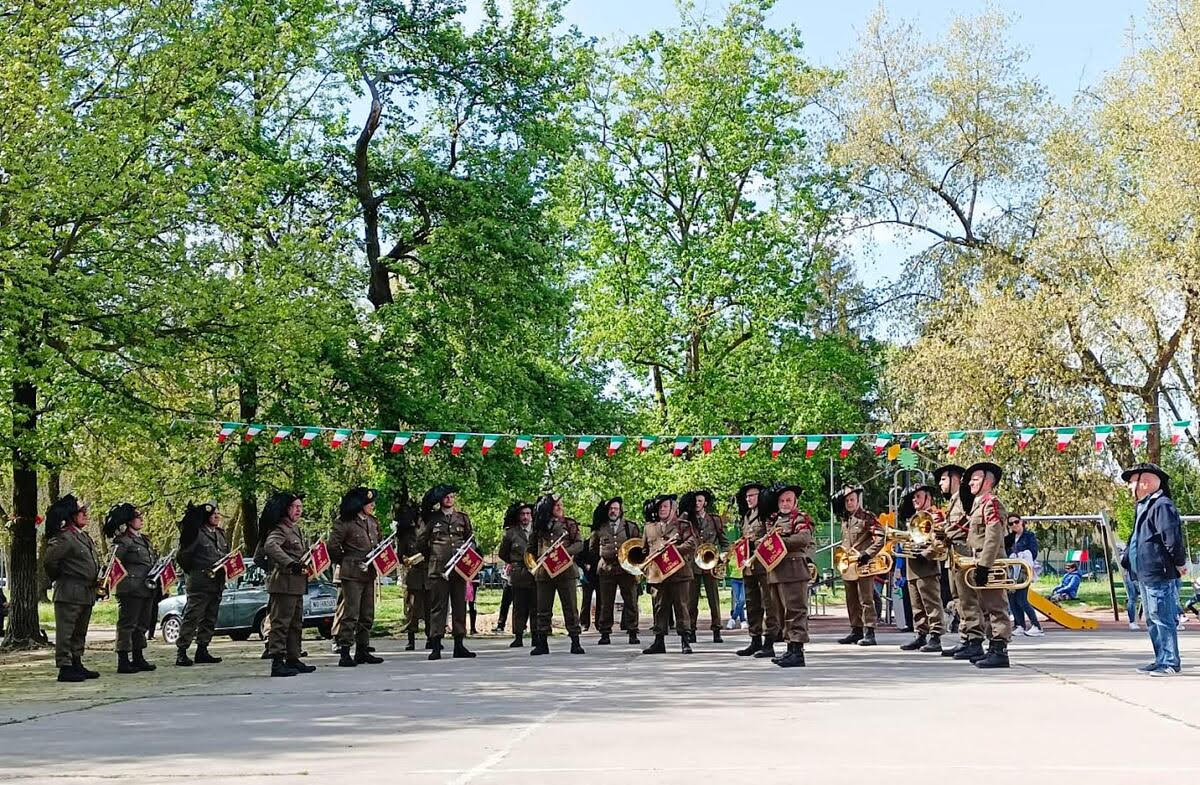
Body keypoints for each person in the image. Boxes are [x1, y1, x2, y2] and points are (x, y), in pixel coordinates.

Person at [1120, 462, 1186, 676]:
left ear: (1145, 483)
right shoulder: (1144, 506)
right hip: (1144, 573)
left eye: (1132, 483)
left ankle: (1170, 661)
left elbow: (1171, 537)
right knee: (1151, 617)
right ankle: (1160, 659)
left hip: (1159, 572)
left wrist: (1179, 562)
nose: (1130, 487)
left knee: (1162, 616)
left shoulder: (1161, 505)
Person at [961, 461, 1013, 669]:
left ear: (987, 482)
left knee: (996, 607)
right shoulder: (979, 504)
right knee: (985, 607)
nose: (971, 483)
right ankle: (992, 647)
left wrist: (984, 565)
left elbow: (993, 535)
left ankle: (1000, 650)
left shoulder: (991, 503)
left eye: (975, 479)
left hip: (990, 562)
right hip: (980, 560)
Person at [43, 495, 100, 682]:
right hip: (69, 590)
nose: (85, 515)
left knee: (79, 632)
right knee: (66, 631)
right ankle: (65, 666)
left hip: (86, 591)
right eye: (81, 512)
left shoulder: (83, 536)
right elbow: (50, 561)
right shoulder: (64, 537)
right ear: (71, 515)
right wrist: (62, 576)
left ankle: (77, 661)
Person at [758, 484, 815, 668]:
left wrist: (779, 541)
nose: (784, 503)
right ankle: (790, 648)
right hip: (777, 572)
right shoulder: (775, 520)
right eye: (782, 500)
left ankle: (797, 652)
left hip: (794, 571)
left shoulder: (799, 518)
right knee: (782, 614)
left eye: (788, 500)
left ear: (795, 501)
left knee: (795, 612)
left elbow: (803, 539)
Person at [258, 492, 314, 677]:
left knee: (295, 623)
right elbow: (270, 546)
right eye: (295, 507)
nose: (299, 510)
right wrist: (290, 563)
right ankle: (277, 661)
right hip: (283, 583)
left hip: (295, 584)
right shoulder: (280, 529)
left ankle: (293, 658)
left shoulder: (294, 528)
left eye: (300, 506)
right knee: (281, 624)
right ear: (285, 509)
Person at [418, 483, 476, 660]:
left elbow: (470, 540)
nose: (449, 499)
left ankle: (459, 644)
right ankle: (436, 645)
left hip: (458, 570)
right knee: (438, 607)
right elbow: (421, 543)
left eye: (451, 496)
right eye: (446, 497)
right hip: (438, 569)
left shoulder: (462, 518)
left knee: (459, 606)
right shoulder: (432, 519)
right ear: (440, 500)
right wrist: (435, 556)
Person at [328, 487, 384, 667]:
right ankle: (345, 651)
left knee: (367, 613)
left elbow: (379, 543)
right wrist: (345, 561)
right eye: (369, 503)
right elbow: (333, 546)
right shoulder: (345, 523)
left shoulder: (373, 522)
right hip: (352, 573)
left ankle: (363, 649)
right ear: (359, 505)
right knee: (351, 613)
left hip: (369, 573)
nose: (372, 506)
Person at [934, 464, 983, 660]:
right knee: (958, 600)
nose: (940, 483)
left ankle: (975, 641)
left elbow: (965, 525)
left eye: (944, 479)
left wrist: (945, 531)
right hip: (954, 556)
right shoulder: (954, 501)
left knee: (968, 600)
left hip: (964, 555)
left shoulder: (965, 500)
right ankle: (965, 639)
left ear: (956, 479)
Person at [104, 503, 159, 674]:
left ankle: (138, 656)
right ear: (129, 521)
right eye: (137, 517)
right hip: (130, 588)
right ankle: (123, 658)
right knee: (128, 624)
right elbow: (113, 563)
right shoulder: (123, 541)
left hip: (146, 587)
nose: (141, 520)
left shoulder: (144, 540)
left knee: (142, 624)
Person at [528, 494, 585, 655]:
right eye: (556, 505)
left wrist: (564, 553)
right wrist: (532, 564)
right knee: (543, 609)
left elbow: (579, 544)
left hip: (565, 571)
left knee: (570, 608)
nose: (560, 507)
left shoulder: (569, 524)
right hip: (544, 573)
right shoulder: (539, 526)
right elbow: (531, 549)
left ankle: (575, 640)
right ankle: (542, 642)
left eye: (561, 504)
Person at [642, 494, 697, 655]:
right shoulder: (649, 527)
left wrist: (671, 550)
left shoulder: (683, 525)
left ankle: (685, 641)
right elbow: (644, 550)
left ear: (673, 508)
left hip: (679, 574)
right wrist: (645, 567)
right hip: (658, 575)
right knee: (659, 608)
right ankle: (659, 641)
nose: (662, 510)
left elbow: (692, 544)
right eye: (660, 507)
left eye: (665, 506)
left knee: (682, 607)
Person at [175, 502, 228, 667]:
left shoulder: (220, 534)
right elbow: (183, 556)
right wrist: (195, 571)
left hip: (217, 582)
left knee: (210, 617)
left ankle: (202, 649)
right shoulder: (196, 534)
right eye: (213, 514)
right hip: (199, 582)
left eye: (218, 514)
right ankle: (182, 651)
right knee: (193, 616)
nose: (217, 516)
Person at [896, 485, 947, 653]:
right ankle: (920, 633)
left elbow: (940, 541)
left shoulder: (935, 517)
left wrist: (925, 553)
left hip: (928, 566)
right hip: (912, 566)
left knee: (931, 603)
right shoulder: (913, 518)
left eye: (918, 496)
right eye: (913, 498)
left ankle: (936, 636)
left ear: (928, 498)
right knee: (916, 605)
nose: (914, 500)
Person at [832, 483, 884, 646]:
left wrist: (867, 553)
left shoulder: (867, 517)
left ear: (858, 500)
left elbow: (881, 537)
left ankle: (870, 631)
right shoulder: (845, 519)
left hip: (863, 564)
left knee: (866, 599)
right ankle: (856, 629)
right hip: (848, 565)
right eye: (847, 500)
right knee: (851, 599)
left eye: (852, 499)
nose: (849, 503)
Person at [734, 482, 780, 658]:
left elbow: (771, 537)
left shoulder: (766, 515)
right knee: (752, 604)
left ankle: (769, 642)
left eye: (752, 495)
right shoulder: (746, 516)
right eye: (747, 496)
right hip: (749, 566)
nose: (748, 499)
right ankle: (755, 640)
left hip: (764, 566)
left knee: (769, 604)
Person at [590, 497, 642, 645]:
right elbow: (592, 549)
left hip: (626, 569)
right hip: (606, 570)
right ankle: (605, 632)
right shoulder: (600, 527)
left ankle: (632, 631)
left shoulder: (630, 527)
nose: (613, 511)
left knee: (631, 601)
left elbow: (638, 546)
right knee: (606, 603)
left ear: (620, 510)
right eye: (611, 509)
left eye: (616, 509)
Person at [686, 489, 728, 644]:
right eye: (695, 501)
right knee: (692, 600)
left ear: (705, 503)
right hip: (694, 564)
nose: (697, 504)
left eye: (700, 501)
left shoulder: (714, 519)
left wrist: (724, 554)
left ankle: (717, 630)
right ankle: (691, 630)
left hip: (711, 563)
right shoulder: (688, 520)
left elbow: (724, 542)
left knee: (714, 599)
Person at [497, 501, 536, 647]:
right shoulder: (511, 533)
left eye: (528, 514)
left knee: (536, 606)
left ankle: (536, 635)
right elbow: (503, 553)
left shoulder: (537, 531)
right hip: (519, 574)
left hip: (535, 573)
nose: (525, 517)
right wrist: (515, 563)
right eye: (522, 514)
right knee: (519, 606)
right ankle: (518, 636)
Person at [395, 501, 431, 651]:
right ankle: (411, 639)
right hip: (414, 574)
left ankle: (432, 637)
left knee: (430, 609)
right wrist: (406, 560)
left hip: (428, 572)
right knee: (412, 609)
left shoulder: (430, 531)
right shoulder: (406, 535)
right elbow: (399, 555)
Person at [1005, 515, 1043, 636]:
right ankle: (1020, 624)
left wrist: (1021, 555)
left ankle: (1036, 625)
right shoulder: (1009, 538)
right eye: (1011, 524)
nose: (1014, 525)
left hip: (1023, 570)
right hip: (1012, 570)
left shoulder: (1029, 536)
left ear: (1021, 522)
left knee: (1021, 598)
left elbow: (1033, 552)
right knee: (1012, 598)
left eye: (1016, 522)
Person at [577, 530, 600, 632]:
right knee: (586, 600)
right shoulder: (585, 544)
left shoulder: (602, 544)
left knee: (601, 600)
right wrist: (584, 565)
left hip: (600, 576)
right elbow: (578, 558)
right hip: (588, 577)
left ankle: (599, 623)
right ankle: (584, 623)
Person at [1119, 547, 1142, 629]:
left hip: (1131, 575)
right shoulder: (1145, 545)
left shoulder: (1129, 548)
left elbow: (1123, 562)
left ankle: (1132, 622)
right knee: (1147, 598)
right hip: (1143, 575)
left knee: (1132, 599)